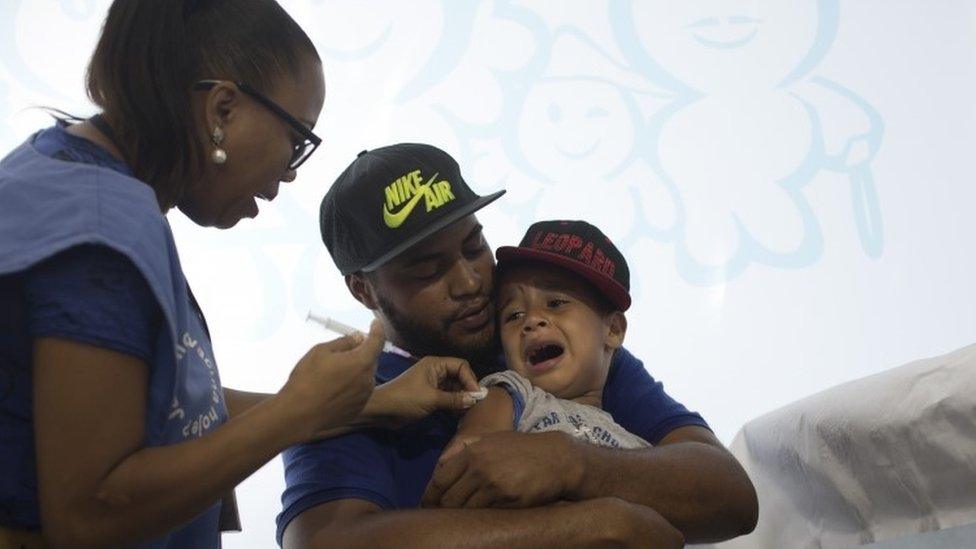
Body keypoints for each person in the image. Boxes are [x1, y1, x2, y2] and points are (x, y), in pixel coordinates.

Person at [0, 2, 479, 547]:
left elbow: (165, 407)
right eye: (297, 140)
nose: (290, 173)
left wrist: (367, 403)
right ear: (222, 109)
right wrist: (293, 414)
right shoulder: (95, 232)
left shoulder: (67, 172)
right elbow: (88, 514)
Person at [278, 143, 759, 548]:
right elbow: (326, 541)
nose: (469, 282)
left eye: (473, 246)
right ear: (363, 290)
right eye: (428, 270)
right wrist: (589, 525)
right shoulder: (346, 393)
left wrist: (574, 464)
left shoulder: (546, 350)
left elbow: (731, 496)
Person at [441, 219, 653, 463]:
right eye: (514, 315)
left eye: (555, 303)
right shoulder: (510, 395)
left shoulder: (640, 450)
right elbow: (460, 467)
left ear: (613, 330)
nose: (531, 320)